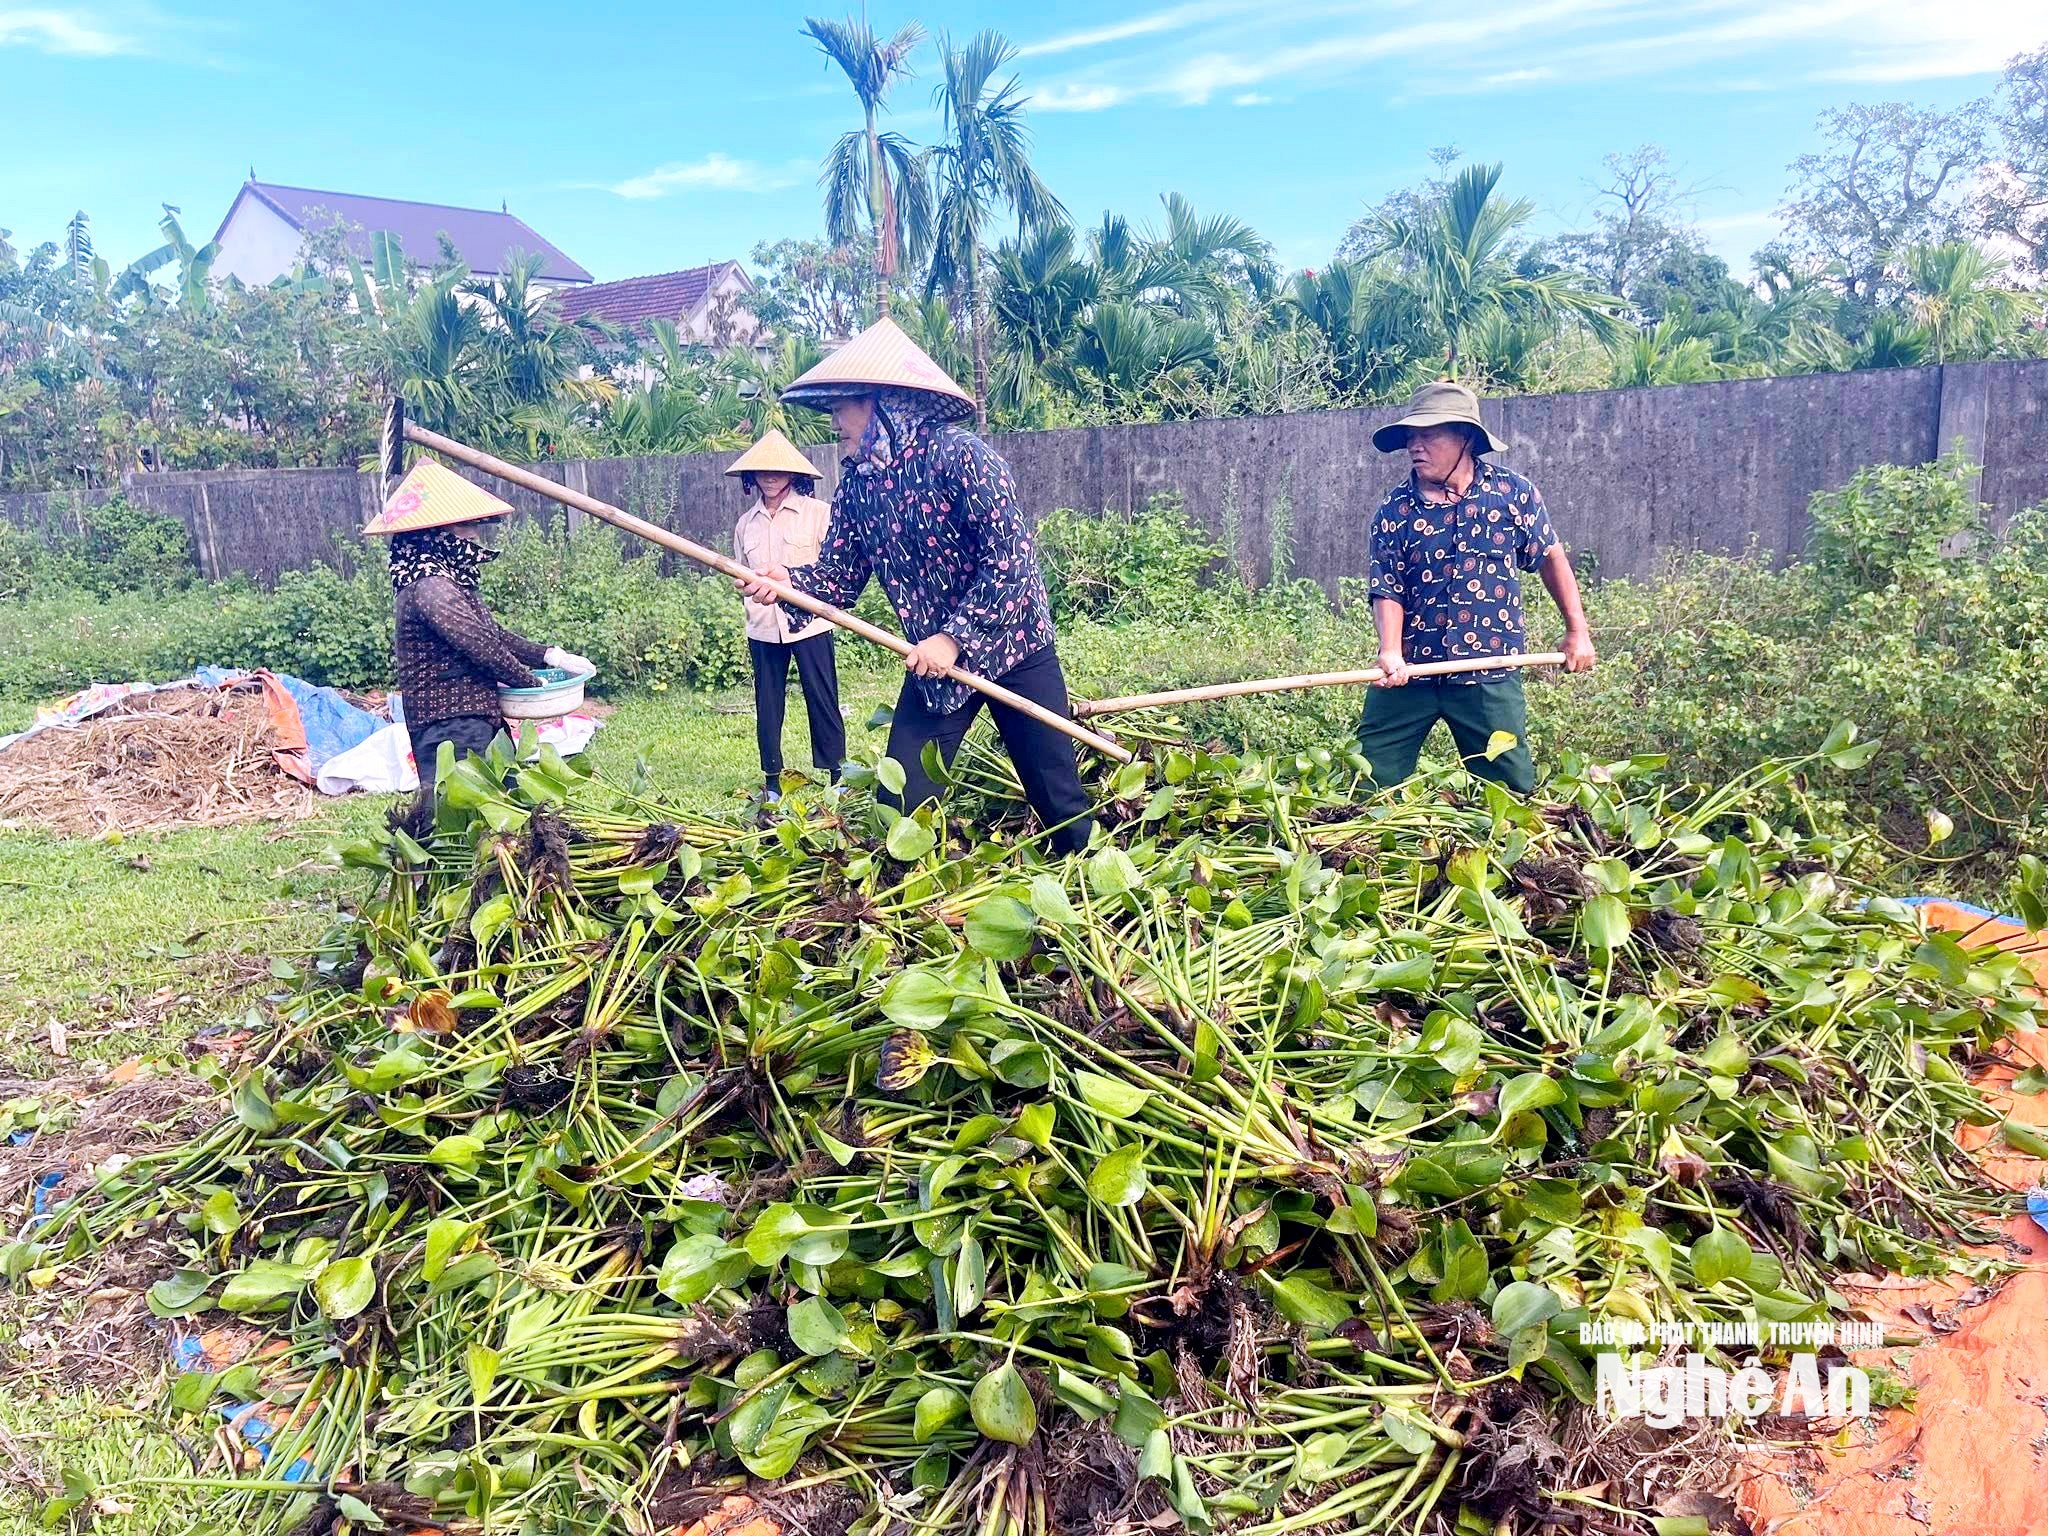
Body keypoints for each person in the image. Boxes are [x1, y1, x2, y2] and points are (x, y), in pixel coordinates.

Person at [736, 318, 1095, 854]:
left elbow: (1011, 562)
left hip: (1011, 645)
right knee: (899, 803)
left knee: (1058, 799)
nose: (835, 420)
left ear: (885, 402)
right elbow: (840, 572)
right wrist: (789, 583)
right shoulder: (859, 482)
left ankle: (1092, 883)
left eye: (845, 405)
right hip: (935, 665)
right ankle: (913, 894)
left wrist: (954, 639)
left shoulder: (962, 457)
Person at [1360, 380, 1596, 795]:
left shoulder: (1512, 495)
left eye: (1429, 435)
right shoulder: (1394, 510)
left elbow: (1550, 556)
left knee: (1509, 792)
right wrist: (1390, 652)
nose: (1416, 446)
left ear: (1466, 437)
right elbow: (1388, 587)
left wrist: (1577, 630)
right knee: (1369, 780)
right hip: (1411, 671)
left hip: (1488, 671)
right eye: (1411, 437)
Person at [361, 460, 590, 824]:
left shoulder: (447, 583)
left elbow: (493, 635)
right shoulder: (431, 588)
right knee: (462, 823)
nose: (474, 536)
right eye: (465, 526)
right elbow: (480, 646)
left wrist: (549, 656)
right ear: (434, 533)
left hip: (472, 719)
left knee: (504, 812)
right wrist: (531, 683)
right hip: (449, 724)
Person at [728, 429, 846, 799]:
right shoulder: (746, 524)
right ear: (752, 476)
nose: (771, 476)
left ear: (794, 474)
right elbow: (740, 572)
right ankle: (772, 781)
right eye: (763, 470)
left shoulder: (818, 514)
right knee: (768, 702)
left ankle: (836, 776)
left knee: (822, 698)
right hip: (763, 627)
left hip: (811, 624)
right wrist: (746, 587)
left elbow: (833, 570)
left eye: (778, 470)